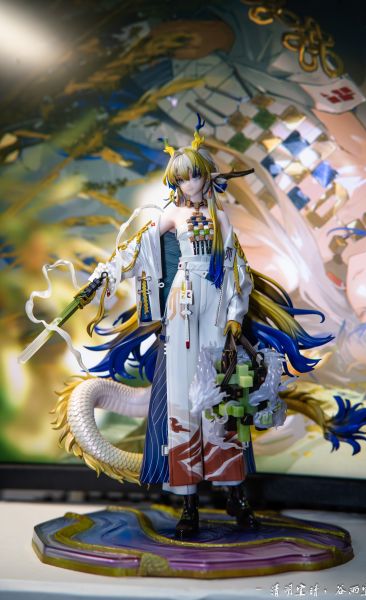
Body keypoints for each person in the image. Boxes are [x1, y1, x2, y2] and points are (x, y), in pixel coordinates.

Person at [84, 115, 332, 538]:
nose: (188, 185)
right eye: (181, 179)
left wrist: (236, 317)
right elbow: (135, 250)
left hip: (216, 304)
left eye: (194, 176)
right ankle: (188, 503)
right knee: (183, 400)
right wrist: (103, 276)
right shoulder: (170, 215)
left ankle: (235, 494)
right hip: (182, 304)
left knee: (223, 396)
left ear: (205, 176)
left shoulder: (223, 220)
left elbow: (237, 271)